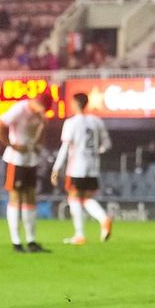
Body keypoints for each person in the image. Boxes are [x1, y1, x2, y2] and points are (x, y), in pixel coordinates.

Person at [0, 91, 52, 253]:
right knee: (16, 197)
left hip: (31, 159)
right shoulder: (19, 109)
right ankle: (16, 242)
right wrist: (12, 145)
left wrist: (41, 134)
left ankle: (31, 241)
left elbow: (39, 136)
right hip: (15, 160)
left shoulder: (40, 115)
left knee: (30, 196)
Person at [52, 93, 113, 245]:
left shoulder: (71, 123)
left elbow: (65, 147)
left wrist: (56, 168)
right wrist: (96, 151)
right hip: (92, 166)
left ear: (74, 103)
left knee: (73, 198)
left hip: (77, 167)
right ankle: (104, 219)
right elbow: (107, 145)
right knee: (86, 198)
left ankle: (79, 235)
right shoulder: (97, 121)